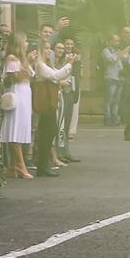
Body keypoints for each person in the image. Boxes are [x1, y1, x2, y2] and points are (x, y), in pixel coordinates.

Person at [34, 42, 75, 177]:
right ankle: (43, 164)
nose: (49, 51)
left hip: (50, 102)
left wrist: (67, 65)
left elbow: (57, 76)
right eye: (46, 48)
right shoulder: (40, 65)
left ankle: (44, 164)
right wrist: (69, 64)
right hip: (45, 102)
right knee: (47, 132)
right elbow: (56, 76)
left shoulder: (46, 64)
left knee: (50, 131)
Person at [0, 32, 37, 179]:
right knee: (15, 130)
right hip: (17, 94)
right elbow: (17, 79)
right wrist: (27, 62)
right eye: (25, 41)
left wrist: (28, 62)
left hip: (25, 93)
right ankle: (21, 165)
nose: (27, 44)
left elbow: (31, 76)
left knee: (21, 128)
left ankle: (13, 166)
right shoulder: (12, 58)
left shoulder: (21, 59)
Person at [101, 34, 129, 126]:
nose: (117, 43)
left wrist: (127, 52)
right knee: (109, 100)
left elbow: (125, 59)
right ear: (110, 41)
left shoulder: (118, 51)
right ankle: (107, 118)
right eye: (116, 41)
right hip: (111, 78)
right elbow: (112, 60)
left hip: (119, 78)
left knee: (116, 101)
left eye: (118, 41)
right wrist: (122, 53)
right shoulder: (106, 51)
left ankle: (114, 118)